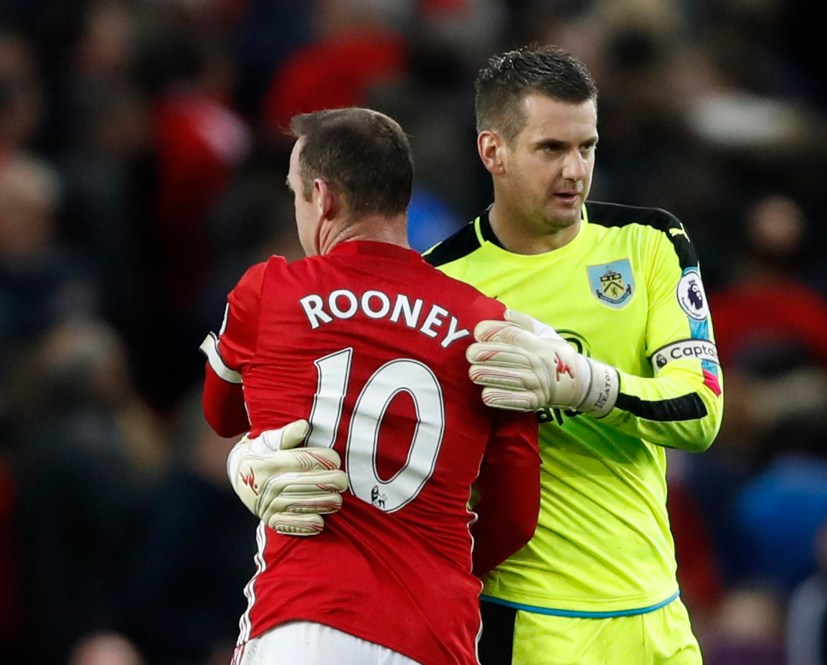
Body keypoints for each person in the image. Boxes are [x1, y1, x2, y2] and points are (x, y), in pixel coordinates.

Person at [228, 46, 724, 664]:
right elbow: (361, 438)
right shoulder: (446, 289)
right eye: (551, 149)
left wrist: (580, 383)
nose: (575, 171)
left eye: (587, 147)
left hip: (659, 616)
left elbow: (701, 412)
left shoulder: (650, 242)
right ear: (492, 151)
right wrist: (253, 460)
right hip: (529, 623)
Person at [199, 108, 541, 665]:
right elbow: (516, 518)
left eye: (296, 194)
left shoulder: (268, 291)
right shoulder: (489, 326)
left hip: (302, 619)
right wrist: (427, 557)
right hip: (434, 633)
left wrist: (247, 460)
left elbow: (220, 414)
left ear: (322, 197)